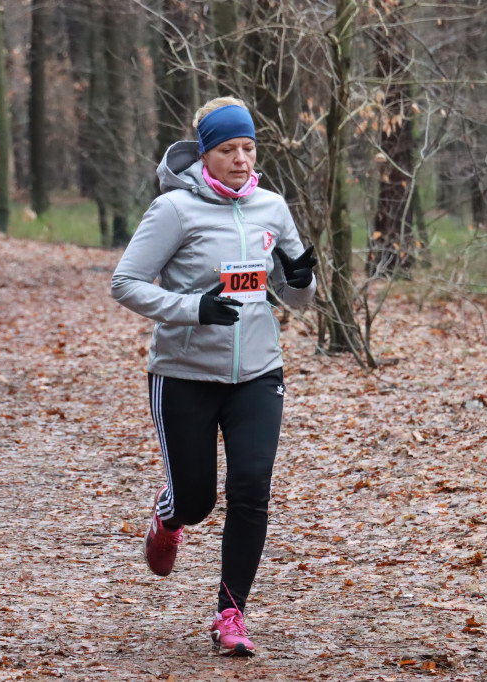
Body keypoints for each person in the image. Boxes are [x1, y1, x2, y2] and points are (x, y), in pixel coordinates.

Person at [111, 96, 317, 657]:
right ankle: (169, 514)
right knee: (198, 501)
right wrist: (192, 308)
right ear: (206, 154)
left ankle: (231, 613)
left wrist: (303, 280)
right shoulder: (174, 210)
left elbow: (298, 296)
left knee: (251, 489)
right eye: (229, 149)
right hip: (183, 374)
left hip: (257, 373)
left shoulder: (273, 207)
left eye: (249, 148)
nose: (242, 159)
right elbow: (125, 283)